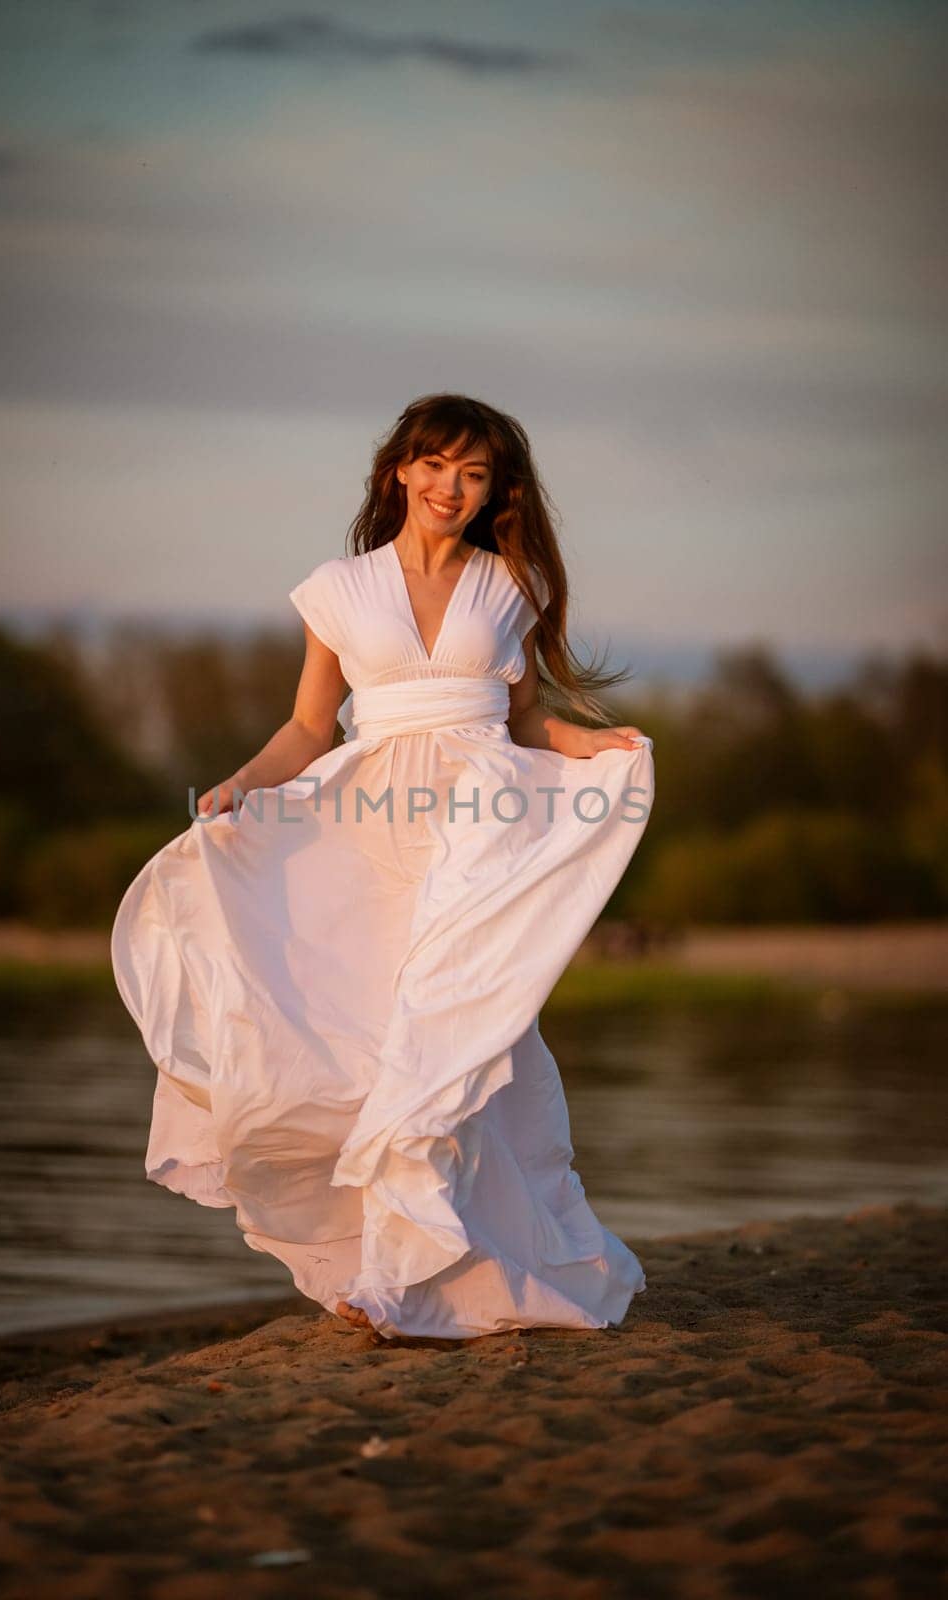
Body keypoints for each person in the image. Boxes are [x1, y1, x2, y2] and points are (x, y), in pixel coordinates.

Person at [111, 392, 655, 1342]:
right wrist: (238, 785)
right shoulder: (338, 587)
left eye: (473, 473)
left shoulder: (508, 586)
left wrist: (598, 744)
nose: (451, 487)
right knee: (370, 1036)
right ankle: (395, 1269)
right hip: (368, 831)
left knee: (461, 1035)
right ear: (400, 468)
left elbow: (525, 723)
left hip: (481, 829)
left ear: (494, 491)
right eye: (436, 465)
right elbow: (309, 727)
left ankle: (435, 1275)